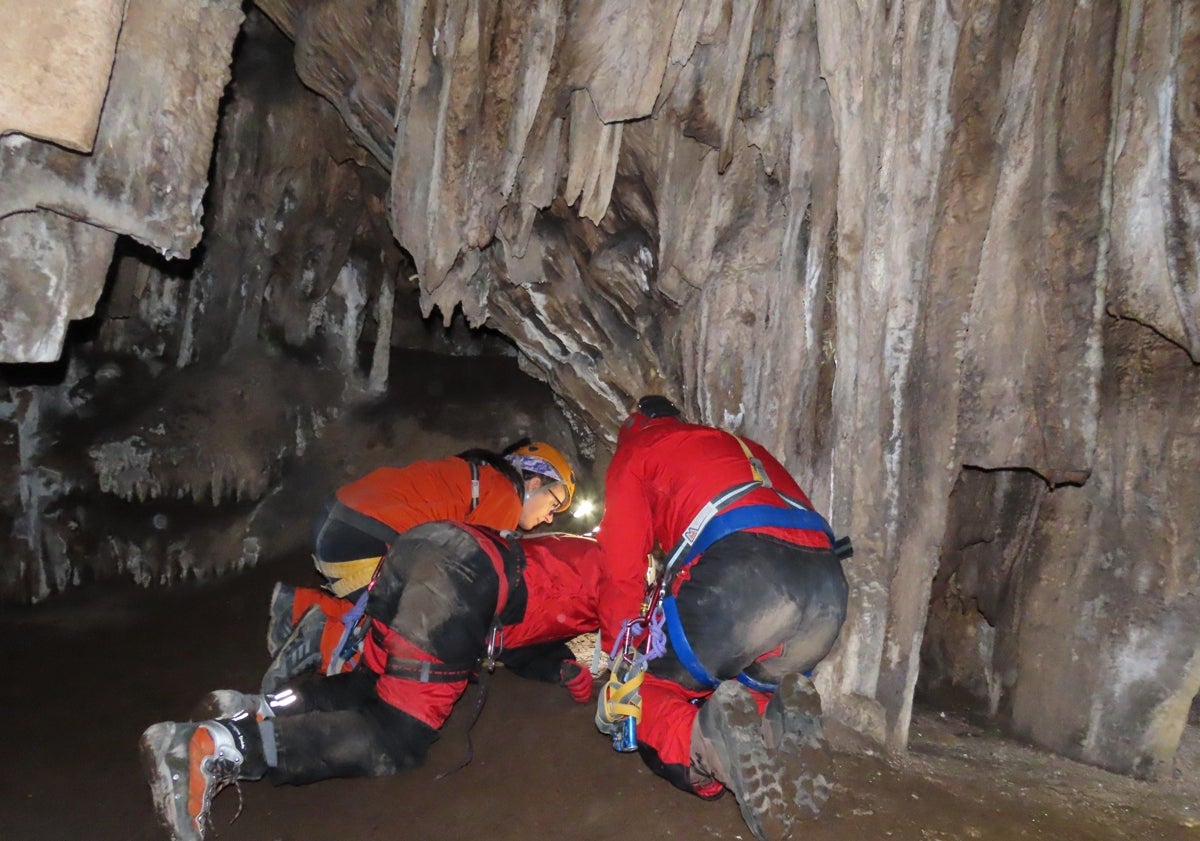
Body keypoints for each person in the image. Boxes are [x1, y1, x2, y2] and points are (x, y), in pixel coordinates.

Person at [140, 522, 604, 841]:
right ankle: (220, 745)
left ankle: (255, 706)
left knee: (375, 681)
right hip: (464, 578)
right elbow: (611, 626)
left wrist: (557, 666)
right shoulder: (625, 576)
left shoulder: (571, 548)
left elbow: (524, 626)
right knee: (398, 733)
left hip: (426, 548)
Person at [593, 395, 849, 841]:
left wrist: (619, 656)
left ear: (635, 425)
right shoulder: (734, 445)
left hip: (747, 576)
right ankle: (779, 723)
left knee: (650, 689)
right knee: (748, 678)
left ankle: (705, 744)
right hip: (826, 585)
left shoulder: (637, 451)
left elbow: (622, 570)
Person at [263, 440, 576, 689]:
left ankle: (293, 608)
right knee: (412, 646)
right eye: (553, 504)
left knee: (401, 605)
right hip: (366, 537)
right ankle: (320, 641)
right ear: (533, 483)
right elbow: (481, 580)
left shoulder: (477, 475)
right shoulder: (505, 495)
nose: (550, 517)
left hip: (338, 523)